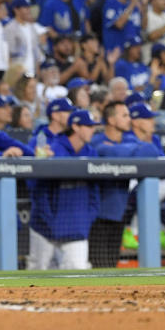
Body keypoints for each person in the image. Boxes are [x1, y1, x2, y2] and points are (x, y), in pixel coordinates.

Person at [88, 101, 162, 267]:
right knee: (99, 268)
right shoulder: (97, 141)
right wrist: (130, 150)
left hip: (118, 213)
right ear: (112, 120)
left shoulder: (127, 138)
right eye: (125, 115)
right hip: (98, 216)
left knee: (112, 265)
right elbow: (107, 151)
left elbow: (151, 151)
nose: (129, 119)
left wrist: (124, 149)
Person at [27, 109, 100, 270]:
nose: (92, 130)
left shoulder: (91, 152)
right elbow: (37, 189)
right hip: (44, 229)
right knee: (36, 278)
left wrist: (88, 218)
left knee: (78, 275)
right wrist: (49, 220)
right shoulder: (53, 150)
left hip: (76, 228)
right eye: (88, 126)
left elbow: (94, 192)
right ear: (75, 127)